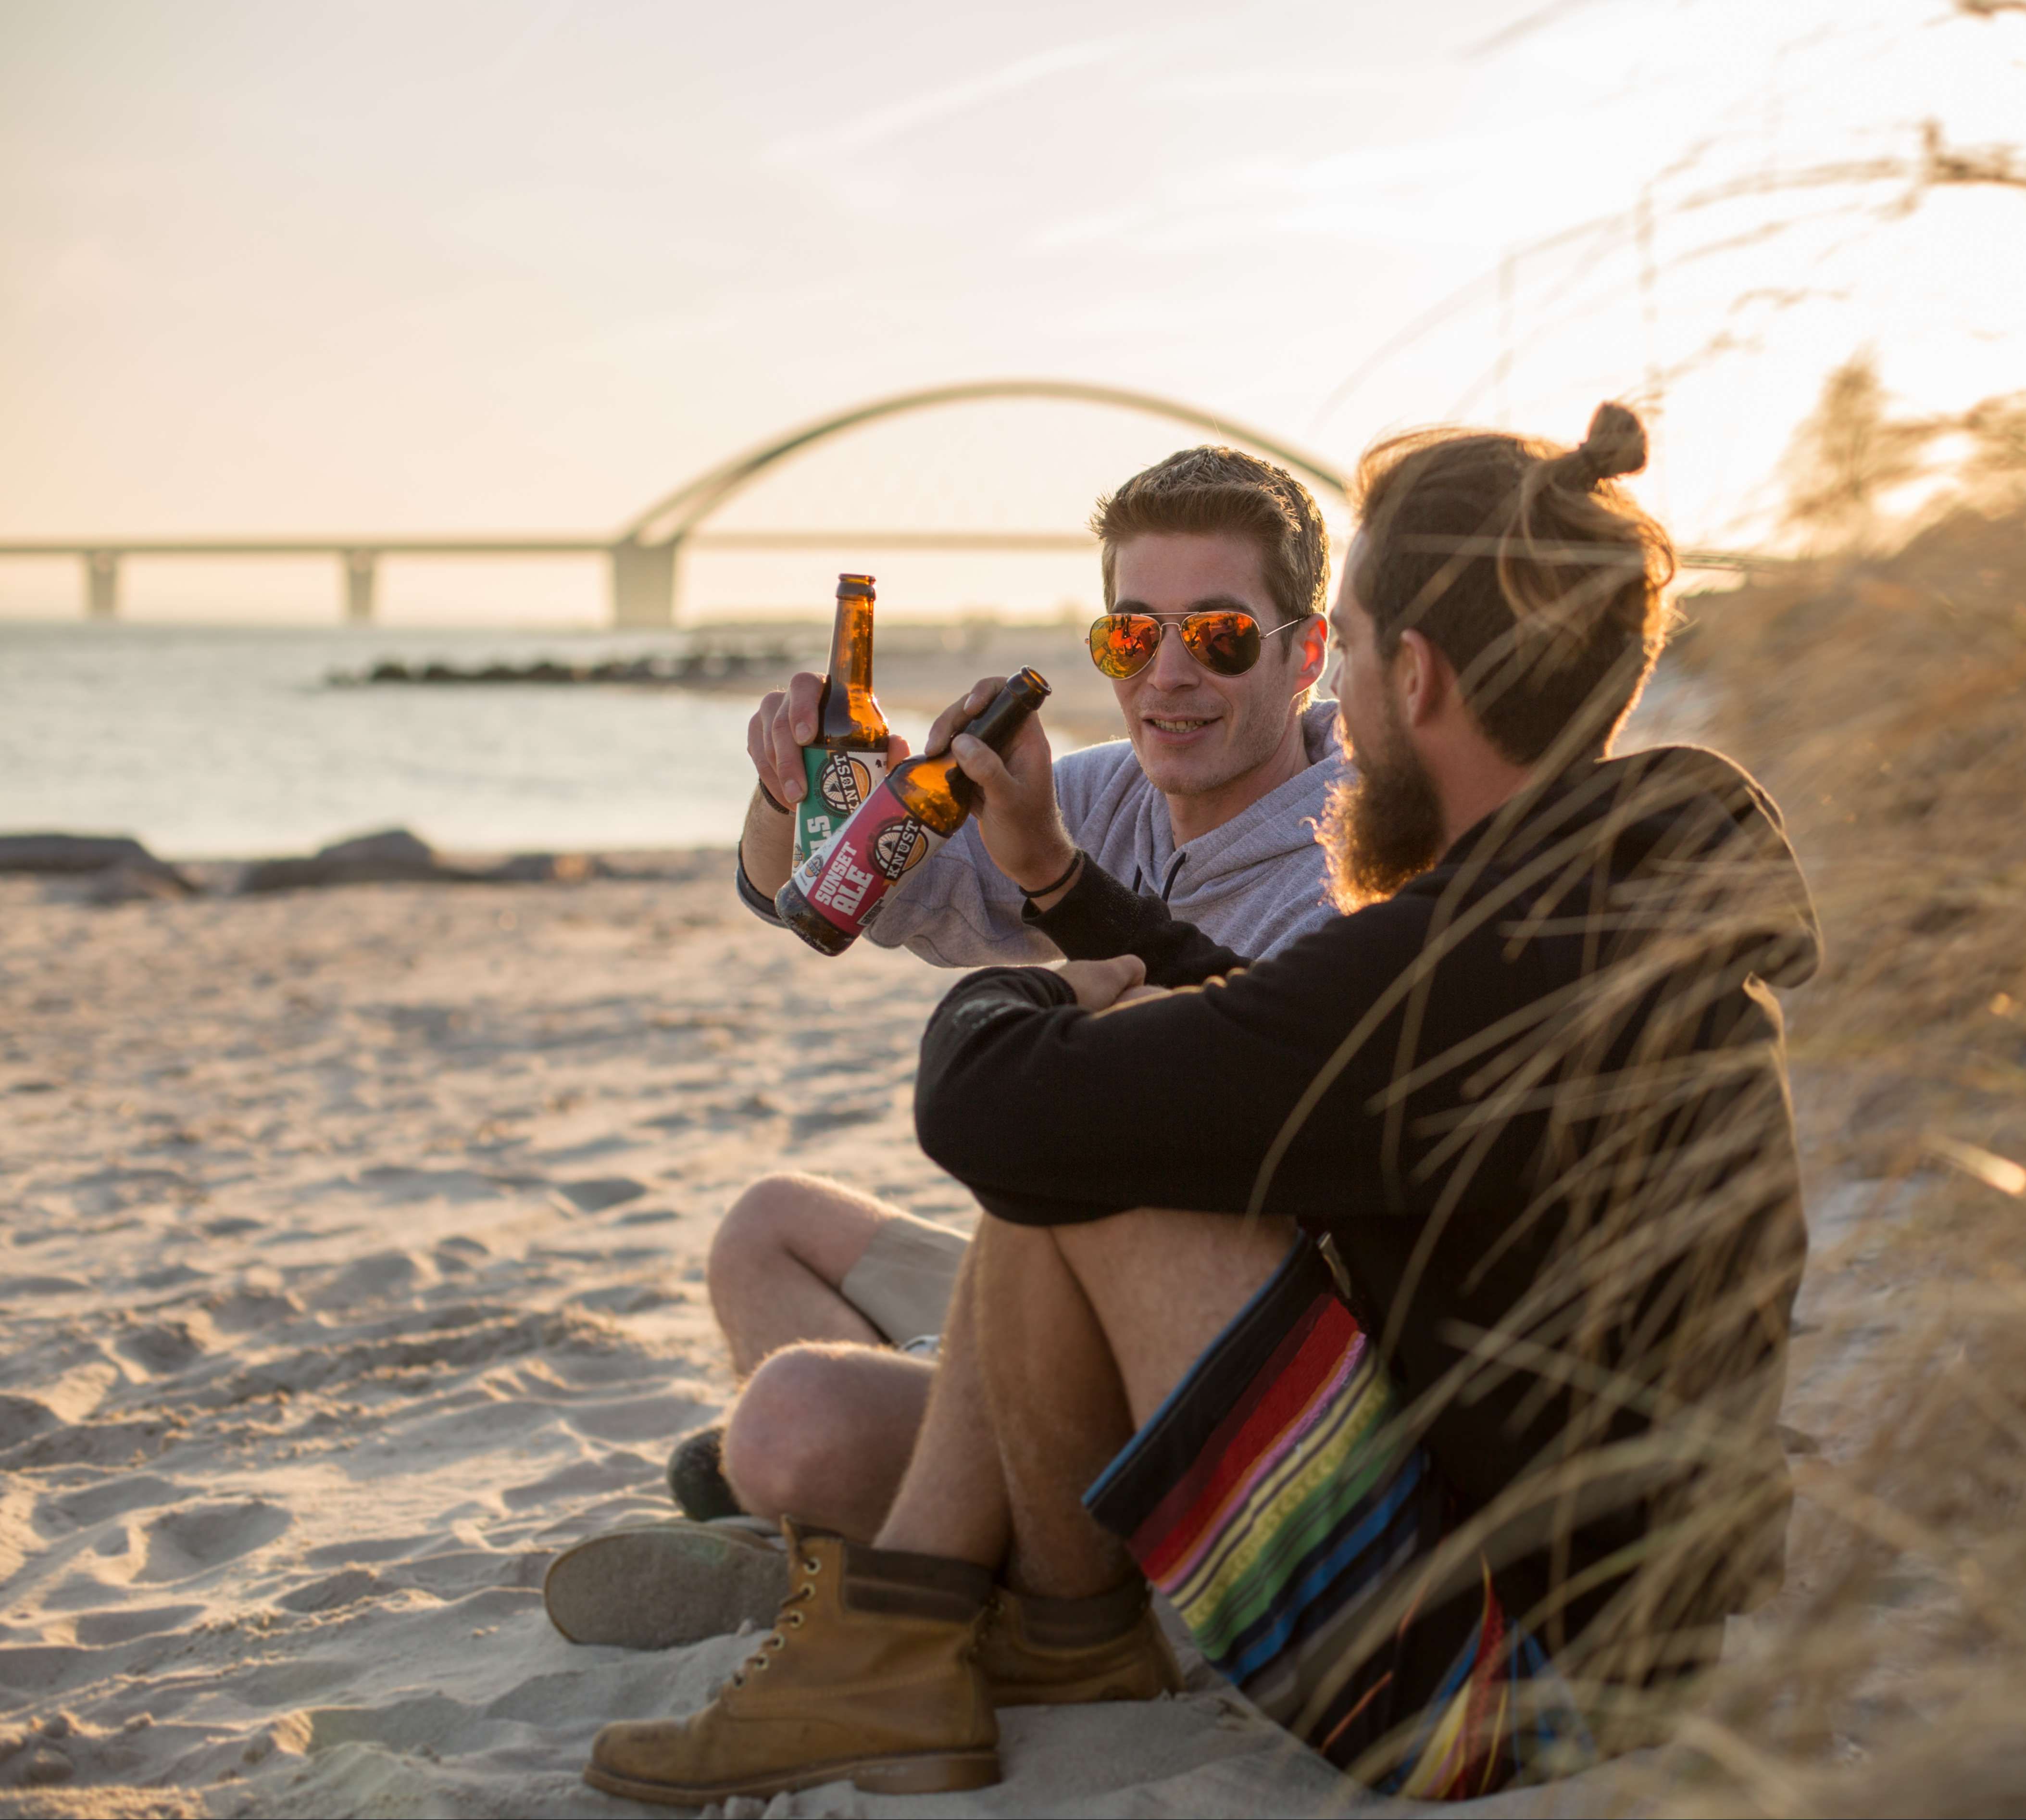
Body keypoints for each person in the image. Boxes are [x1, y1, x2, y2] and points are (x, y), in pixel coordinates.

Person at [582, 401, 1816, 1807]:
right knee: (1094, 1121)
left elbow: (1001, 1109)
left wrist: (1051, 993)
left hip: (1500, 1700)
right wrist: (1072, 922)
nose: (1335, 710)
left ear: (1404, 674)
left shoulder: (1472, 967)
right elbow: (1259, 1033)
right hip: (1594, 1637)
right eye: (1132, 634)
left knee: (1076, 1150)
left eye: (1336, 651)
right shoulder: (1573, 909)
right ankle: (1004, 1637)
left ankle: (946, 1630)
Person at [542, 446, 1341, 1652]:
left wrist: (1049, 917)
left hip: (1197, 1354)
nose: (1169, 677)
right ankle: (879, 1514)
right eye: (1131, 639)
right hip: (1037, 1293)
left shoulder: (1348, 859)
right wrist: (791, 792)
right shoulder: (1103, 792)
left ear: (1308, 652)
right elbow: (826, 900)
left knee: (790, 1426)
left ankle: (856, 1546)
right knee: (766, 1225)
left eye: (1219, 636)